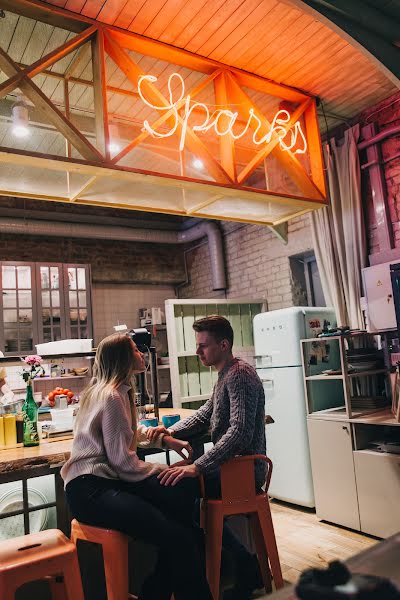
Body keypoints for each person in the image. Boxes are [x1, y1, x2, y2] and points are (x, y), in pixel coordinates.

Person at [61, 333, 212, 600]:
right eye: (134, 349)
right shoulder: (111, 397)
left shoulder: (111, 392)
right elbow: (123, 464)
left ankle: (154, 592)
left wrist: (165, 440)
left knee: (186, 529)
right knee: (182, 527)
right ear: (122, 358)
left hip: (100, 486)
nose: (141, 354)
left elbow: (127, 431)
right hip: (92, 492)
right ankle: (156, 591)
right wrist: (162, 470)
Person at [147, 316, 266, 600]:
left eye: (203, 346)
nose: (198, 352)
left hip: (245, 471)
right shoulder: (226, 374)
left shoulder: (240, 375)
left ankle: (177, 580)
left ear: (223, 344)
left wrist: (197, 467)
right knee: (183, 495)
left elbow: (239, 434)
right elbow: (205, 415)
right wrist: (170, 431)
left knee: (179, 488)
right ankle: (242, 565)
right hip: (230, 468)